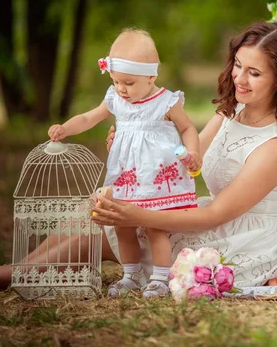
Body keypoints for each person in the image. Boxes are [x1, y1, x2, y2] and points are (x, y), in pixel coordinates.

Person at [0, 20, 277, 294]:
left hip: (239, 237)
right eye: (237, 65)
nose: (239, 78)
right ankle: (17, 269)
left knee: (104, 227)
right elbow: (189, 157)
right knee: (91, 211)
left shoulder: (276, 148)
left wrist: (136, 213)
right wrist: (143, 147)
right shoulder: (232, 109)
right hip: (206, 214)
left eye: (253, 72)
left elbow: (218, 214)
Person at [47, 28, 201, 297]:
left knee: (155, 226)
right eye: (117, 81)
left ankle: (161, 278)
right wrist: (66, 128)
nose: (121, 88)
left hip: (157, 176)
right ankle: (130, 274)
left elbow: (188, 128)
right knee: (122, 225)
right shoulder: (115, 98)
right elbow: (89, 117)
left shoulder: (165, 101)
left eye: (129, 83)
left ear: (151, 76)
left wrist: (192, 151)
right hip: (126, 174)